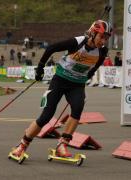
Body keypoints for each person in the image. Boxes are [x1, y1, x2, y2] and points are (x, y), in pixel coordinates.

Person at [10, 20, 112, 158]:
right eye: (102, 37)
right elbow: (51, 48)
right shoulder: (77, 42)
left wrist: (90, 73)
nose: (104, 41)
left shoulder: (103, 50)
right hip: (60, 80)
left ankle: (62, 145)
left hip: (77, 84)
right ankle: (22, 145)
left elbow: (97, 64)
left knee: (77, 108)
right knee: (46, 116)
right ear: (93, 34)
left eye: (106, 38)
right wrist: (40, 67)